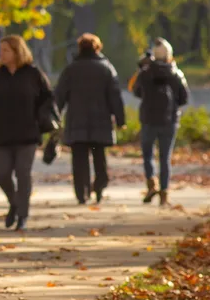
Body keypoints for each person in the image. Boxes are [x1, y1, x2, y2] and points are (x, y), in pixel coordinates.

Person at [0, 36, 53, 230]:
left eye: (6, 50)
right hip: (1, 134)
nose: (1, 54)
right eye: (1, 50)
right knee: (2, 173)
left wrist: (39, 120)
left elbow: (47, 99)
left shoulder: (33, 74)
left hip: (27, 134)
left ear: (17, 52)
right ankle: (14, 202)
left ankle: (22, 216)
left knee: (23, 173)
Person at [54, 33, 125, 205]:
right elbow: (115, 96)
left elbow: (59, 95)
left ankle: (82, 193)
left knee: (79, 160)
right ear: (97, 48)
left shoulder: (71, 69)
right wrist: (120, 120)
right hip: (100, 123)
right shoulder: (106, 69)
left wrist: (55, 117)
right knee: (99, 157)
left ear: (80, 48)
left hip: (77, 122)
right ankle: (100, 184)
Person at [133, 38, 189, 206]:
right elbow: (184, 98)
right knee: (165, 157)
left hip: (148, 119)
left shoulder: (145, 72)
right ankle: (164, 193)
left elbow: (136, 91)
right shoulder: (175, 73)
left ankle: (151, 182)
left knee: (148, 154)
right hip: (169, 120)